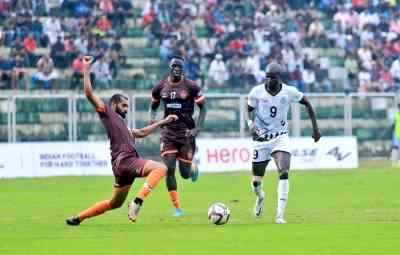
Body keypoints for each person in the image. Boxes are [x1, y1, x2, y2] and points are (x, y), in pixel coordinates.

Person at [66, 56, 178, 225]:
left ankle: (78, 218)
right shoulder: (108, 113)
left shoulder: (122, 124)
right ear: (114, 104)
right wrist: (87, 68)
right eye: (124, 106)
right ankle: (137, 202)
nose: (126, 109)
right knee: (161, 168)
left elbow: (140, 132)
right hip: (127, 160)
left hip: (120, 166)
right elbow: (89, 93)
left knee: (115, 203)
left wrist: (163, 121)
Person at [246, 62, 321, 224]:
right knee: (256, 182)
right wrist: (250, 125)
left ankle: (280, 215)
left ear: (279, 78)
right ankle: (260, 197)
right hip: (261, 140)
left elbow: (307, 103)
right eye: (267, 77)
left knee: (284, 171)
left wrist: (315, 128)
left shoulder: (289, 92)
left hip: (280, 137)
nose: (269, 80)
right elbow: (248, 109)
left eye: (272, 78)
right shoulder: (256, 92)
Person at [149, 56, 207, 217]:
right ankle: (177, 208)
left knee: (184, 174)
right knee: (169, 169)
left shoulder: (191, 86)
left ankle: (193, 168)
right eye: (174, 66)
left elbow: (203, 108)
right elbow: (153, 106)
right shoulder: (160, 87)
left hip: (187, 134)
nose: (177, 69)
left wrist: (197, 129)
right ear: (170, 68)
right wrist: (153, 120)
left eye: (180, 67)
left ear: (183, 69)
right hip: (168, 133)